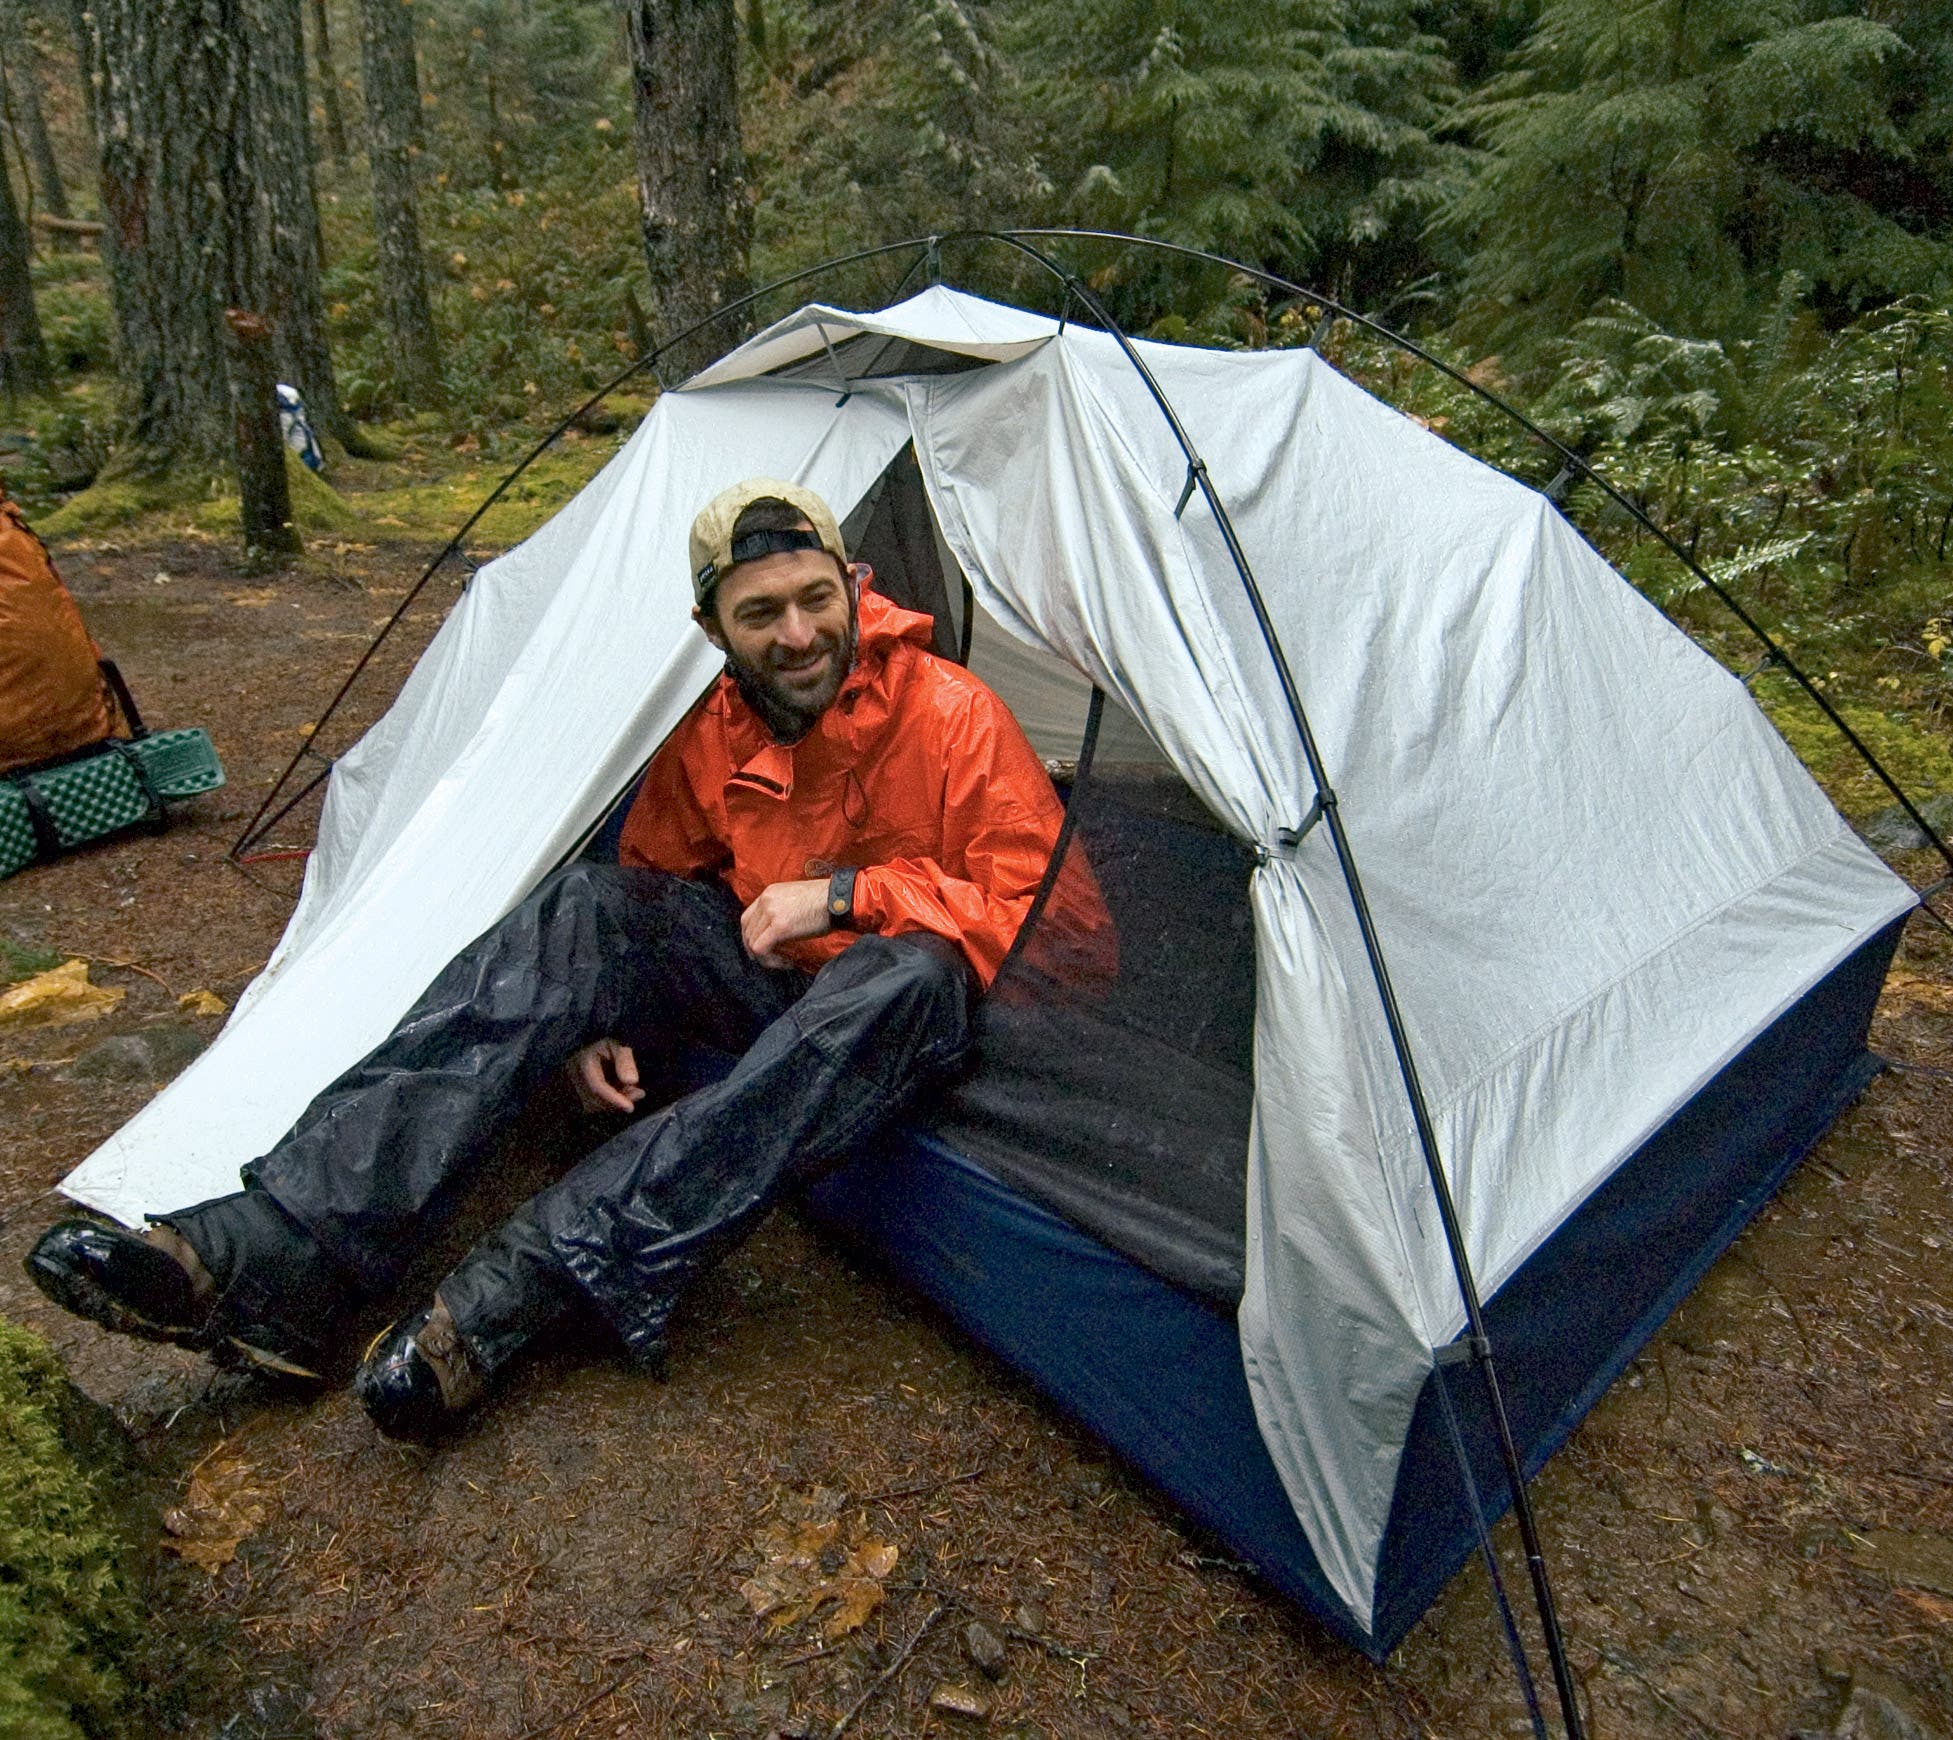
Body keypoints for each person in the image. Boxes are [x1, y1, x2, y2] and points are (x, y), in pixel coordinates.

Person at [26, 478, 1072, 1440]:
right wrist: (598, 1020)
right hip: (779, 993)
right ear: (712, 628)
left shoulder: (951, 715)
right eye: (760, 614)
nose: (797, 635)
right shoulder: (712, 729)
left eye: (814, 599)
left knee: (907, 971)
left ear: (854, 586)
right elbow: (649, 889)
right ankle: (286, 1248)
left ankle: (525, 1286)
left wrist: (852, 894)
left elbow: (1061, 933)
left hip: (904, 1017)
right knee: (587, 905)